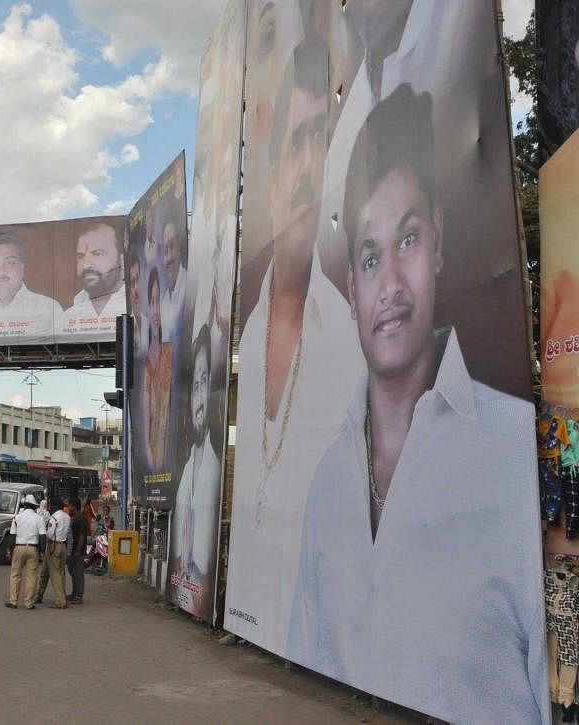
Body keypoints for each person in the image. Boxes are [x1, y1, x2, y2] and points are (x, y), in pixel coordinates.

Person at [286, 85, 547, 724]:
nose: (391, 287)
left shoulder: (518, 451)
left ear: (439, 241)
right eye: (371, 257)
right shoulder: (327, 483)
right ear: (351, 286)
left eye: (407, 240)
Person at [225, 35, 364, 654]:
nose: (311, 166)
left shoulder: (352, 343)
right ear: (274, 168)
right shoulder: (251, 329)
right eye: (298, 141)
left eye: (323, 142)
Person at [170, 325, 220, 616]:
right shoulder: (184, 477)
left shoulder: (214, 476)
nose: (200, 401)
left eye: (206, 382)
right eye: (196, 387)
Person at [59, 221, 126, 338]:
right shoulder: (68, 317)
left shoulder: (136, 306)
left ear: (122, 260)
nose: (86, 265)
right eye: (80, 256)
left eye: (97, 254)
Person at [141, 269, 174, 471]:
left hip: (169, 449)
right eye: (151, 302)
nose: (155, 311)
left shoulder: (170, 352)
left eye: (157, 302)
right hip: (154, 453)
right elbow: (146, 425)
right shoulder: (145, 363)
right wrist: (148, 448)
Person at [7, 494, 46, 609]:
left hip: (19, 547)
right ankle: (29, 603)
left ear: (24, 505)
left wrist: (11, 550)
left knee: (15, 575)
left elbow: (12, 537)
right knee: (32, 577)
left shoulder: (17, 517)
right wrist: (42, 552)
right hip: (33, 548)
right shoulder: (39, 519)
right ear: (34, 506)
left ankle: (13, 601)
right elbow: (43, 537)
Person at [43, 497, 71, 609]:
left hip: (54, 545)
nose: (49, 508)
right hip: (63, 545)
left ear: (55, 506)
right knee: (61, 573)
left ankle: (60, 601)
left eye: (50, 506)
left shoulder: (54, 518)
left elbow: (49, 534)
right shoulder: (67, 516)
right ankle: (63, 596)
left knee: (55, 575)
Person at [67, 497, 90, 605]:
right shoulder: (73, 518)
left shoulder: (81, 519)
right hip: (72, 550)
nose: (68, 508)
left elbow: (82, 536)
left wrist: (77, 550)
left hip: (78, 551)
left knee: (78, 574)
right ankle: (74, 593)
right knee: (72, 572)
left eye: (69, 506)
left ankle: (79, 596)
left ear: (74, 507)